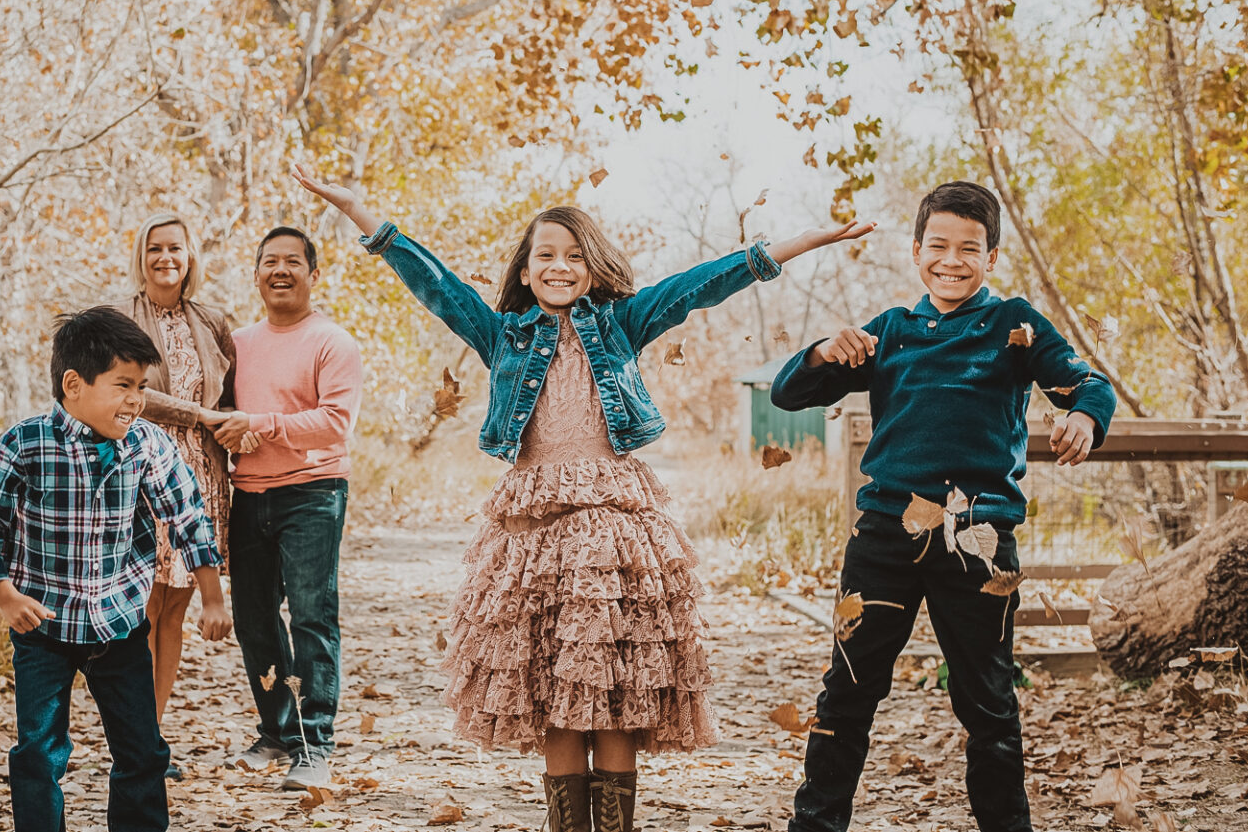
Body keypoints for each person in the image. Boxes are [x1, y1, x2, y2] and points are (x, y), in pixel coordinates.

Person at [294, 161, 873, 832]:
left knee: (614, 691)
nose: (560, 267)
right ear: (527, 266)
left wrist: (796, 243)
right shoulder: (502, 333)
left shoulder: (623, 323)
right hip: (533, 535)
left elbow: (701, 285)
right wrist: (362, 212)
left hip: (614, 529)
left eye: (574, 256)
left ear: (594, 268)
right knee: (554, 693)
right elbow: (436, 285)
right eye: (546, 255)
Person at [769, 181, 1117, 832]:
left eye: (969, 248)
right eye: (938, 245)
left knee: (987, 702)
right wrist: (821, 350)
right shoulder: (892, 331)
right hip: (883, 538)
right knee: (846, 691)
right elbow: (790, 393)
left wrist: (1083, 419)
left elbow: (1088, 382)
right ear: (915, 250)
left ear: (991, 256)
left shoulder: (1015, 324)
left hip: (977, 540)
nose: (951, 259)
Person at [0, 306, 233, 832]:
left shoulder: (147, 444)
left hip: (118, 624)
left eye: (142, 387)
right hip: (43, 628)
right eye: (123, 385)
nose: (136, 400)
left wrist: (213, 595)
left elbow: (187, 514)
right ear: (74, 384)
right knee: (39, 753)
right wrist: (4, 595)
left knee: (143, 750)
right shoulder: (27, 443)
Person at [210, 225, 364, 791]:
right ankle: (276, 734)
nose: (280, 270)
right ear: (256, 275)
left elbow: (335, 424)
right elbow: (221, 412)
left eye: (292, 262)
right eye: (269, 262)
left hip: (313, 494)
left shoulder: (333, 342)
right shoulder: (238, 344)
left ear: (313, 274)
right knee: (253, 622)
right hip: (248, 496)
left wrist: (262, 425)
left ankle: (315, 745)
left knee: (311, 619)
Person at [112, 212, 256, 780]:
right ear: (141, 256)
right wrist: (198, 414)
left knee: (173, 609)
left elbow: (233, 396)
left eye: (175, 248)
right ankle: (131, 735)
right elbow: (131, 395)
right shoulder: (121, 318)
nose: (166, 258)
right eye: (155, 248)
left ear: (190, 255)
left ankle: (150, 737)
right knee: (141, 609)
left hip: (202, 473)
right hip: (141, 468)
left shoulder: (214, 320)